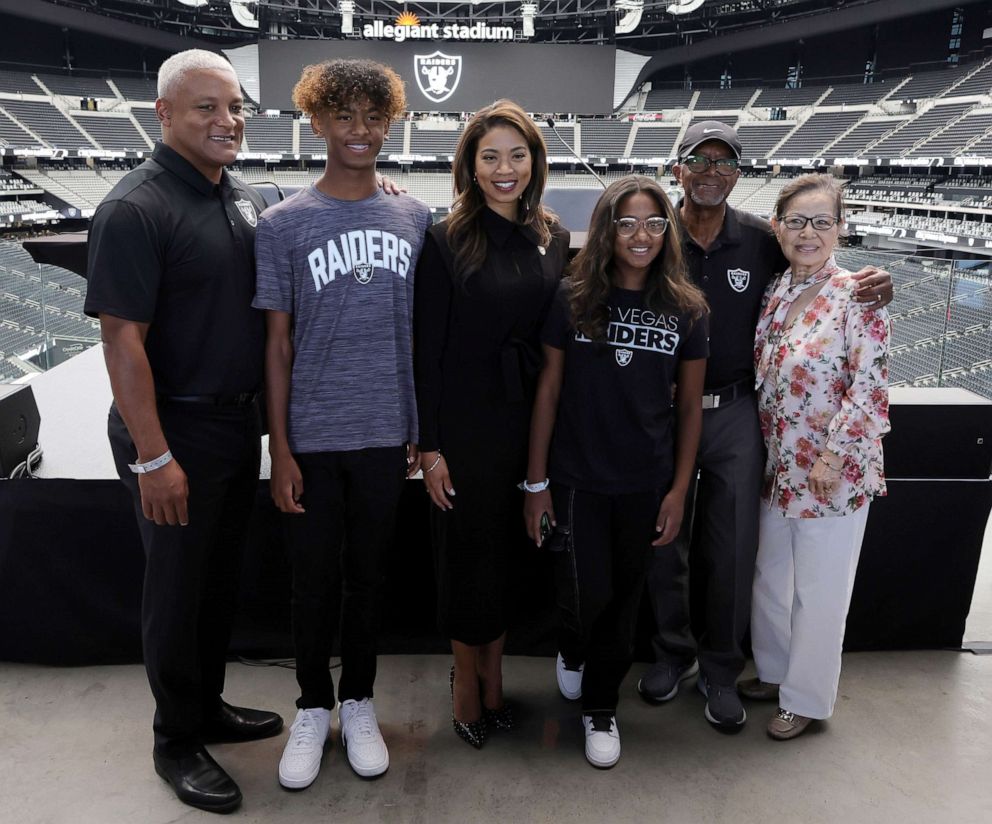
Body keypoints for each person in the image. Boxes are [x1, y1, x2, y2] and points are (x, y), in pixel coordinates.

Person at [638, 121, 894, 731]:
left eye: (725, 164)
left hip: (742, 423)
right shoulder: (651, 232)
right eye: (700, 160)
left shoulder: (761, 245)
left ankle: (724, 669)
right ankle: (674, 655)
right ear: (678, 167)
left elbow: (866, 377)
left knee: (732, 553)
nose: (711, 172)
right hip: (678, 421)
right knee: (668, 543)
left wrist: (878, 281)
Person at [84, 49, 282, 814]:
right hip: (173, 433)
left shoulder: (238, 193)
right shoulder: (135, 208)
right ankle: (175, 739)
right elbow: (121, 342)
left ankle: (207, 709)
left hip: (234, 426)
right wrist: (155, 455)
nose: (226, 120)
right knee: (175, 591)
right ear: (163, 114)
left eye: (234, 106)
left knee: (215, 584)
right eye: (206, 107)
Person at [253, 59, 431, 788]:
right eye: (344, 116)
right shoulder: (281, 225)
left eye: (373, 117)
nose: (360, 131)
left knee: (368, 579)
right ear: (317, 121)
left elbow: (421, 331)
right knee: (311, 584)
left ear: (389, 122)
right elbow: (277, 345)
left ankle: (357, 698)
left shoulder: (415, 216)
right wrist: (282, 446)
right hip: (314, 438)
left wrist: (420, 424)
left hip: (387, 434)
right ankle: (311, 705)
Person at [524, 176, 708, 768]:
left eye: (655, 223)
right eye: (626, 222)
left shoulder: (688, 308)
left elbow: (687, 409)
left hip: (644, 480)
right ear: (607, 229)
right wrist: (536, 483)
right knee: (586, 592)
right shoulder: (571, 296)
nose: (641, 235)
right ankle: (573, 647)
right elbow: (548, 391)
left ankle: (601, 710)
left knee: (625, 600)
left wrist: (680, 490)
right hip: (577, 477)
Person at [414, 99, 570, 749]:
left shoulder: (554, 235)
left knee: (508, 560)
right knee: (466, 562)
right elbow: (424, 349)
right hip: (464, 426)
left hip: (527, 421)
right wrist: (429, 448)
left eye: (517, 154)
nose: (505, 169)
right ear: (471, 168)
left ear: (535, 161)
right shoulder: (444, 237)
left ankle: (497, 680)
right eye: (490, 157)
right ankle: (465, 686)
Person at [745, 173, 889, 739]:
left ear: (840, 228)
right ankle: (775, 671)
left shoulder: (859, 295)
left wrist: (831, 458)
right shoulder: (777, 287)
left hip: (833, 472)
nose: (808, 233)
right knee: (770, 575)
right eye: (797, 221)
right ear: (777, 227)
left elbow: (870, 388)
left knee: (821, 591)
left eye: (821, 222)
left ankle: (805, 698)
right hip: (779, 466)